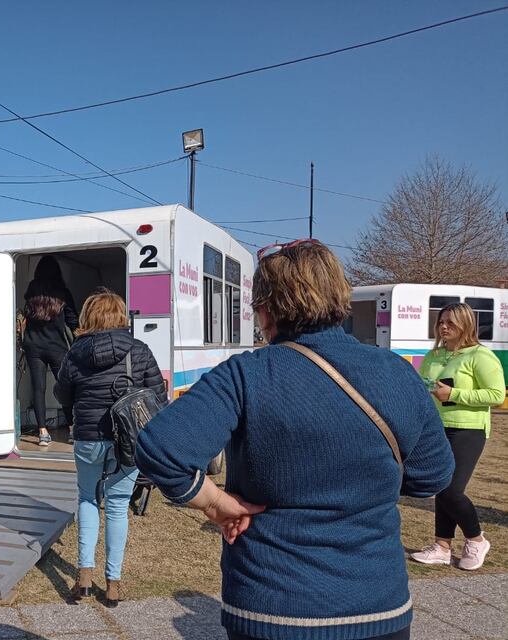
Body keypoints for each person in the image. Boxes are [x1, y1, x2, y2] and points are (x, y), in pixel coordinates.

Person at [135, 240, 455, 640]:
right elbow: (432, 477)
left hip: (272, 608)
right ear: (341, 296)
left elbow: (158, 448)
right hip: (378, 606)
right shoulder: (398, 373)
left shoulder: (245, 375)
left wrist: (216, 504)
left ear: (266, 309)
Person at [54, 289, 166, 607]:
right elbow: (157, 396)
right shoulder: (140, 350)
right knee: (117, 507)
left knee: (88, 499)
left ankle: (84, 578)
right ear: (121, 316)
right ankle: (113, 584)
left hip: (88, 439)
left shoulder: (75, 353)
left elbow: (63, 393)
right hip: (127, 444)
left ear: (89, 317)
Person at [411, 302, 505, 570]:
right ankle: (442, 546)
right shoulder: (434, 356)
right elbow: (425, 387)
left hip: (468, 428)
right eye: (441, 321)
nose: (444, 326)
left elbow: (497, 395)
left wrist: (454, 395)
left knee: (452, 489)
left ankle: (476, 539)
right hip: (437, 427)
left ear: (466, 324)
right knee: (440, 485)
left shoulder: (480, 356)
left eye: (451, 322)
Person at [22, 256, 77, 446]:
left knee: (38, 388)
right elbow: (72, 320)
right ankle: (71, 429)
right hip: (57, 347)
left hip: (33, 346)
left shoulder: (32, 291)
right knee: (65, 388)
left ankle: (43, 432)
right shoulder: (62, 293)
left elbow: (26, 314)